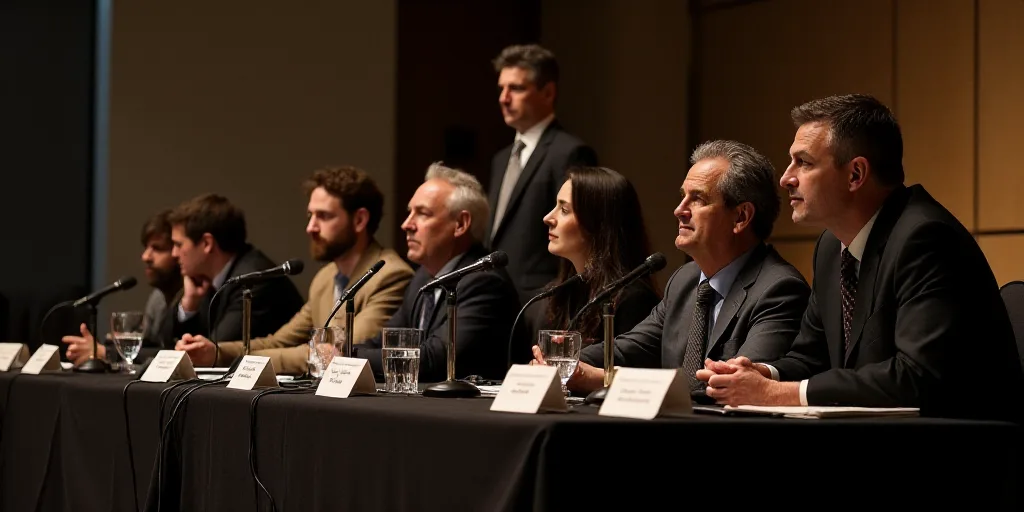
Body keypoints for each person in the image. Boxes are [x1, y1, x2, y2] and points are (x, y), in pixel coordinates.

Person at [697, 94, 1023, 421]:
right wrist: (765, 374)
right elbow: (811, 356)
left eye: (804, 162)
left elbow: (915, 376)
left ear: (855, 174)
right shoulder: (830, 247)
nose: (785, 178)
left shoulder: (925, 239)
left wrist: (781, 394)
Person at [533, 140, 810, 401]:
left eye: (697, 199)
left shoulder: (779, 289)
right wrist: (566, 363)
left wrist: (605, 380)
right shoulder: (685, 281)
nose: (679, 210)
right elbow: (627, 348)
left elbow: (732, 385)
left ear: (741, 217)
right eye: (682, 197)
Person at [176, 167, 414, 373]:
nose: (311, 227)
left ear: (360, 220)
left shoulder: (390, 276)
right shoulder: (325, 277)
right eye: (311, 215)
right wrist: (214, 352)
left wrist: (243, 361)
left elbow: (341, 352)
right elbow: (280, 341)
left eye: (324, 216)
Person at [354, 163, 522, 382]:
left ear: (460, 224)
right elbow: (386, 341)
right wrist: (346, 353)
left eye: (422, 214)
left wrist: (350, 356)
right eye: (409, 213)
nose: (406, 224)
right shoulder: (422, 278)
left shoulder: (485, 282)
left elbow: (437, 359)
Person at [486, 44, 598, 303]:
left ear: (547, 93)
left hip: (541, 300)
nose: (504, 98)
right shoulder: (500, 158)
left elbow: (578, 235)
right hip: (495, 298)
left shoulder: (570, 152)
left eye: (516, 88)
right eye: (501, 88)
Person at [523, 167, 661, 352]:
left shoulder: (633, 300)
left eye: (564, 209)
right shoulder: (556, 297)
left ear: (598, 223)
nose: (548, 218)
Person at [158, 193, 304, 344]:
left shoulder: (254, 280)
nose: (174, 254)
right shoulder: (205, 281)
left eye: (179, 244)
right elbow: (164, 343)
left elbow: (216, 350)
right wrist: (190, 304)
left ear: (207, 243)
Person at [62, 210, 184, 365]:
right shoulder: (158, 298)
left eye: (158, 248)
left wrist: (106, 352)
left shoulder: (196, 299)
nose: (145, 257)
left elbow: (174, 354)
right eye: (146, 247)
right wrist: (111, 346)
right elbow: (151, 347)